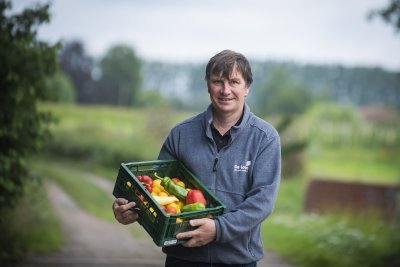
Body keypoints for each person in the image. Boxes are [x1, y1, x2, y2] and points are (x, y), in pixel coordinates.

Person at [112, 50, 281, 267]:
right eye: (218, 81)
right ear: (208, 85)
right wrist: (132, 207)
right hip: (182, 258)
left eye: (234, 82)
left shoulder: (264, 138)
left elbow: (263, 201)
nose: (225, 90)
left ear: (247, 87)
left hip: (238, 260)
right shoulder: (181, 134)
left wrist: (219, 229)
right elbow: (155, 188)